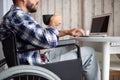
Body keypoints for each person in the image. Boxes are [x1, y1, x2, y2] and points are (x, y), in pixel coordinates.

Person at [1, 0, 101, 80]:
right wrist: (52, 24)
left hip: (36, 59)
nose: (38, 1)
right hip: (37, 69)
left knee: (71, 47)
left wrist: (67, 32)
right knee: (89, 53)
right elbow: (47, 41)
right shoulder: (18, 16)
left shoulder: (15, 15)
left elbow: (39, 35)